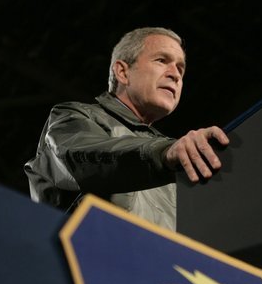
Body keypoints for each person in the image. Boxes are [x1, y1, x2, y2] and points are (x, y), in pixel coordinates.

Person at [24, 27, 229, 231]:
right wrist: (164, 153)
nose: (175, 75)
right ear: (122, 72)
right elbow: (83, 156)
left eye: (181, 68)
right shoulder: (72, 116)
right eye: (161, 60)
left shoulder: (173, 153)